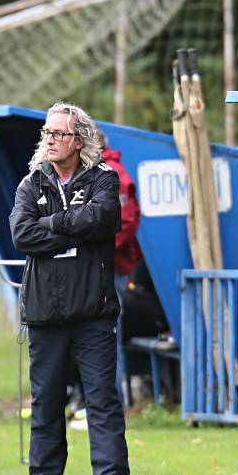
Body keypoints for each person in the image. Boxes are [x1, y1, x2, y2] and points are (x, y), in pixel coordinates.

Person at [9, 102, 131, 475]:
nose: (49, 140)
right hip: (45, 312)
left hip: (93, 311)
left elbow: (103, 219)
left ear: (79, 141)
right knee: (46, 399)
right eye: (46, 133)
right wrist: (72, 228)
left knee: (101, 396)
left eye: (58, 134)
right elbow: (23, 235)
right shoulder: (30, 183)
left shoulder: (103, 179)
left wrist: (54, 227)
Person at [99, 128, 143, 408]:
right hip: (103, 268)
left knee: (107, 336)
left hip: (112, 269)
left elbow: (126, 221)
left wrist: (95, 250)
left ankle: (115, 403)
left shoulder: (112, 174)